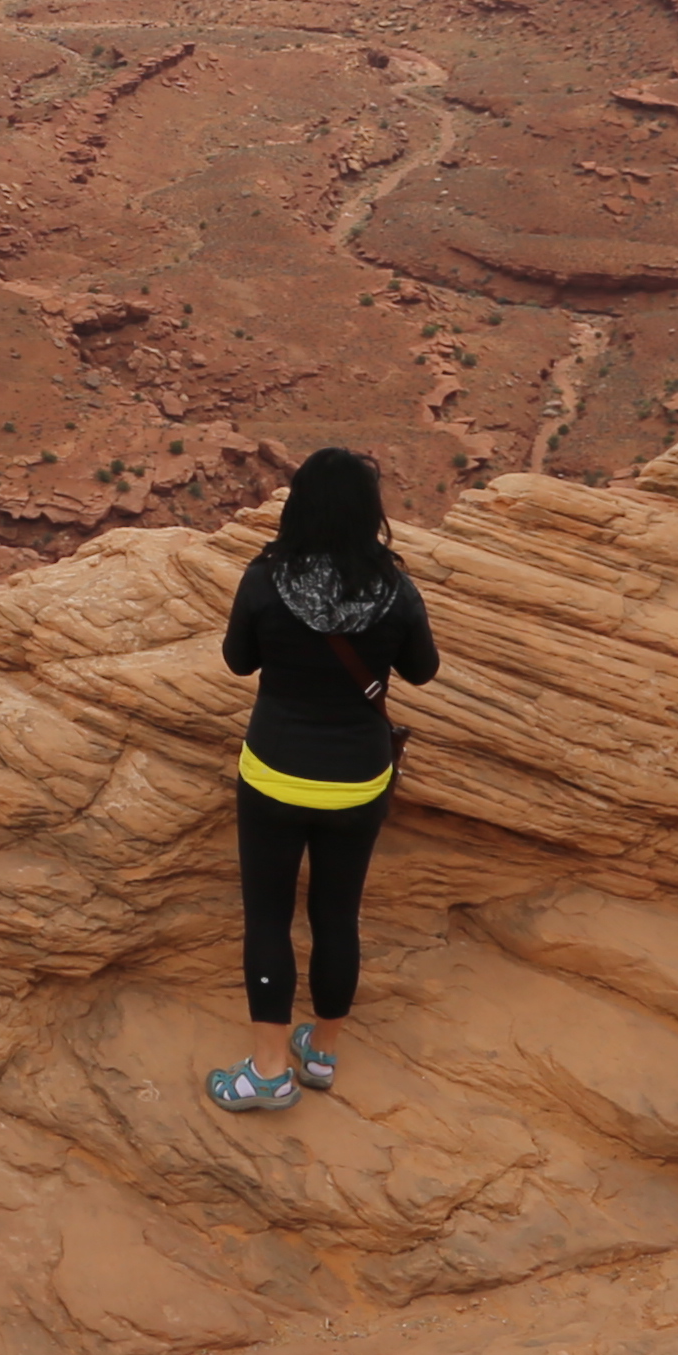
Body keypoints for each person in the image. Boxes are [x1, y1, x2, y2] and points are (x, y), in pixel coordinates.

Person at [210, 447, 439, 1116]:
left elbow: (235, 661)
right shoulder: (395, 590)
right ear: (370, 516)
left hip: (275, 774)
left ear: (298, 507)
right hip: (358, 781)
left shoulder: (265, 578)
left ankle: (268, 1071)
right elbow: (423, 671)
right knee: (336, 915)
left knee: (269, 918)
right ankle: (322, 1051)